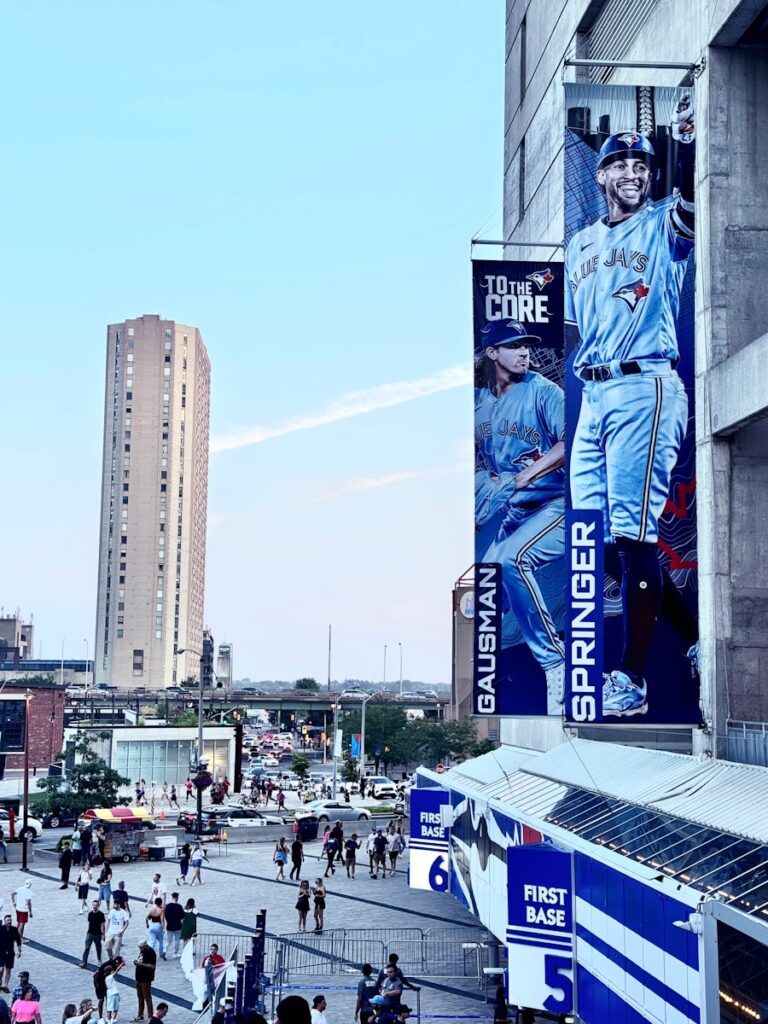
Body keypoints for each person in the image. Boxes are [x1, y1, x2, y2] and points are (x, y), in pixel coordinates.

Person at [564, 98, 698, 717]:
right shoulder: (580, 245)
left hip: (645, 384)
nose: (632, 174)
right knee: (608, 544)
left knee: (634, 535)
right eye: (620, 164)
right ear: (601, 175)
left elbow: (691, 210)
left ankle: (632, 677)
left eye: (641, 166)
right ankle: (696, 641)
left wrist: (687, 144)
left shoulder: (663, 220)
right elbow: (572, 332)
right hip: (594, 393)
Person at [475, 318, 566, 714]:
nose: (524, 352)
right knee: (489, 577)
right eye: (513, 345)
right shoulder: (480, 403)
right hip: (518, 511)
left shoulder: (545, 392)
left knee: (514, 558)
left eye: (526, 345)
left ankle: (556, 663)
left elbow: (573, 440)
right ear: (493, 353)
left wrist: (526, 474)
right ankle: (511, 672)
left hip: (560, 504)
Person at [80, 899, 106, 968]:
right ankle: (84, 962)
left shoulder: (101, 914)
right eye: (94, 905)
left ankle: (99, 960)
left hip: (98, 934)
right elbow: (89, 923)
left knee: (98, 948)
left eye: (96, 905)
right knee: (87, 948)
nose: (95, 906)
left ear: (98, 906)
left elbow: (103, 925)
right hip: (90, 933)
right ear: (92, 905)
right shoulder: (90, 914)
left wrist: (103, 934)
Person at [133, 943, 156, 1022]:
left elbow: (152, 966)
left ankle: (150, 1016)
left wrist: (140, 964)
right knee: (140, 997)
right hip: (139, 978)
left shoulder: (151, 953)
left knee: (147, 998)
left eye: (141, 948)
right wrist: (137, 962)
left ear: (145, 946)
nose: (140, 950)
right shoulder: (142, 951)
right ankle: (140, 1014)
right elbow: (141, 960)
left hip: (146, 979)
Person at [0, 917, 21, 994]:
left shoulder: (14, 930)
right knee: (1, 969)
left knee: (8, 969)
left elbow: (18, 940)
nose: (9, 921)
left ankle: (5, 986)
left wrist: (19, 950)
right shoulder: (1, 929)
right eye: (8, 920)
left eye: (10, 920)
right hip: (1, 951)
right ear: (4, 921)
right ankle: (0, 981)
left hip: (10, 952)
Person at [163, 893, 184, 959]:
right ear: (177, 898)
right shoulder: (179, 906)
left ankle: (164, 951)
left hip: (169, 925)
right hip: (177, 925)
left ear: (172, 897)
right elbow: (182, 916)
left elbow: (165, 916)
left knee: (169, 940)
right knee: (177, 940)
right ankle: (175, 953)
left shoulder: (167, 906)